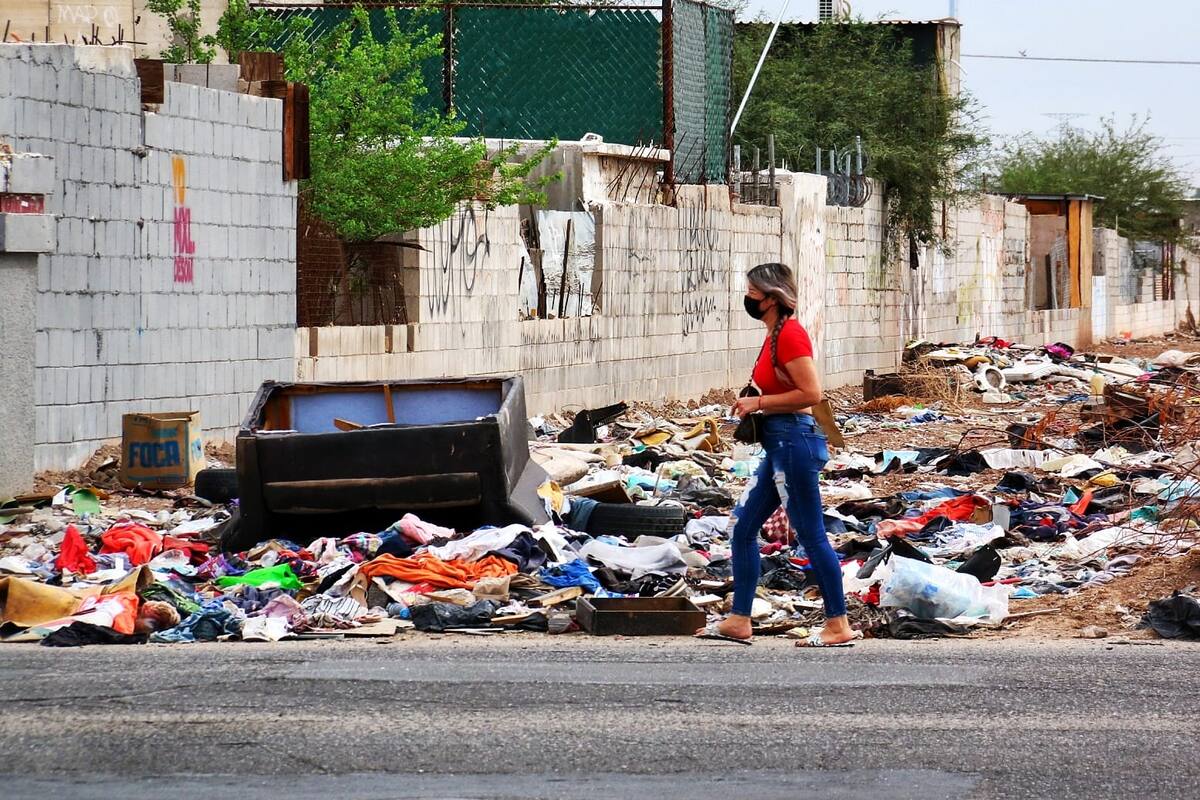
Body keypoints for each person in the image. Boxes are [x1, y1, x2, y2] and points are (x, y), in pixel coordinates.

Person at [697, 262, 859, 647]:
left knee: (810, 533)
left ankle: (838, 624)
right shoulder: (775, 334)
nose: (748, 299)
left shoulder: (790, 336)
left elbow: (812, 394)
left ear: (771, 298)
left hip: (794, 444)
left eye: (753, 293)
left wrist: (760, 404)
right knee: (742, 528)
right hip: (779, 445)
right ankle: (739, 619)